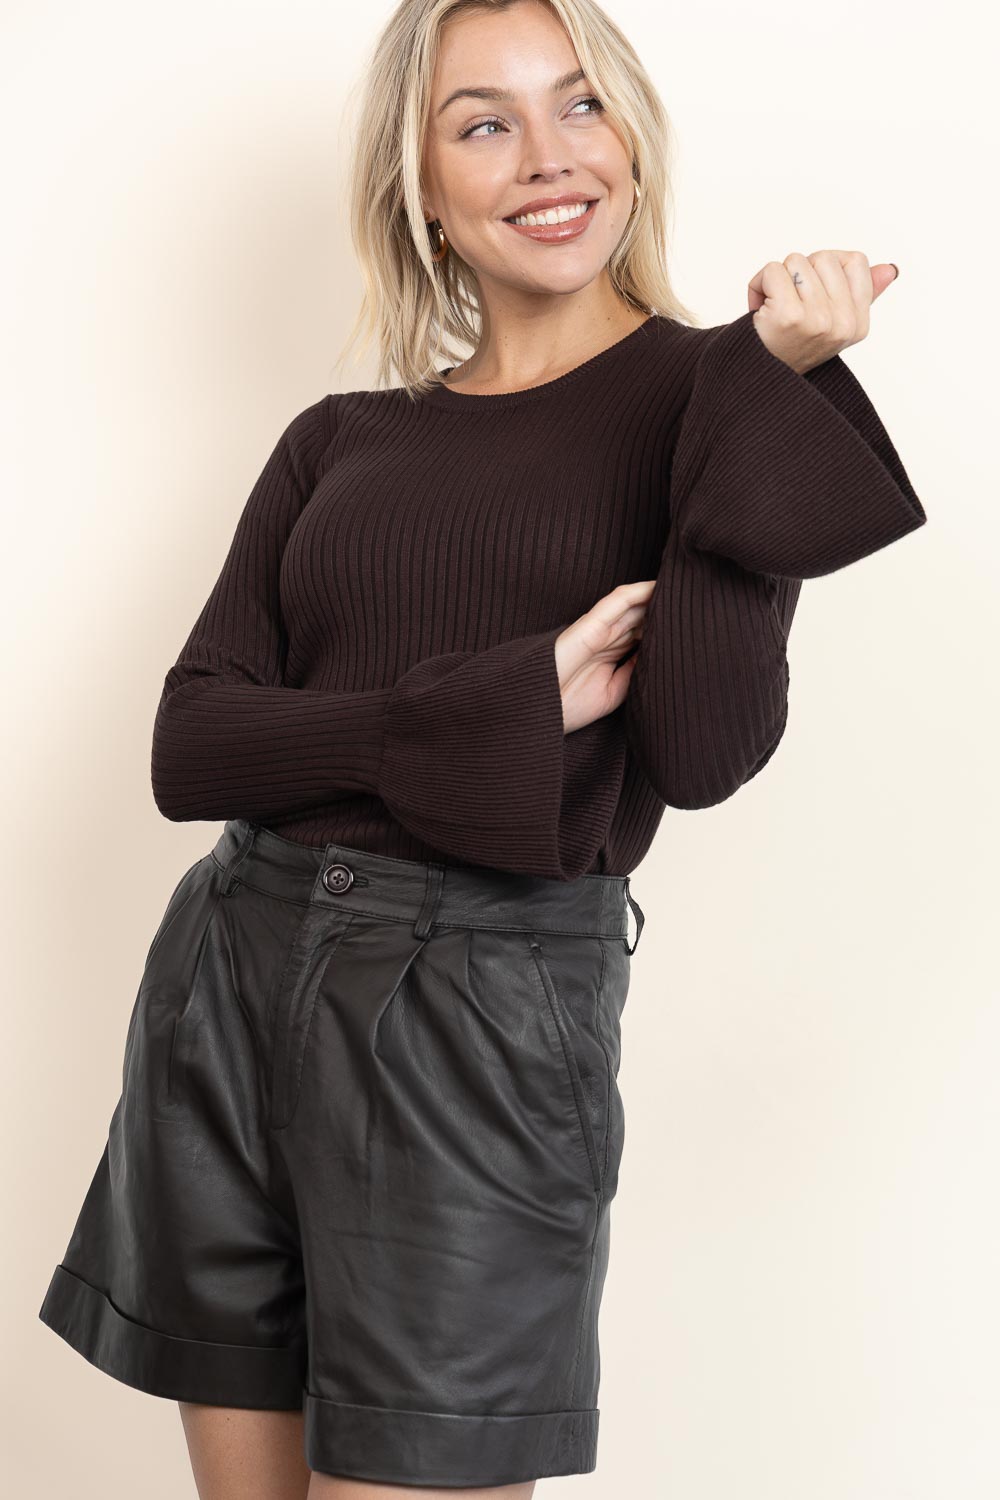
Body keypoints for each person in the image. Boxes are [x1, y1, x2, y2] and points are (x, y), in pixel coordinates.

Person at [37, 0, 927, 1495]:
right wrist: (490, 710)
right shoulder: (340, 437)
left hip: (479, 1008)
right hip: (228, 980)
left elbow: (701, 752)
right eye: (484, 123)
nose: (547, 156)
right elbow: (193, 747)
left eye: (580, 105)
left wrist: (765, 383)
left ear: (633, 141)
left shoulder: (712, 397)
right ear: (423, 189)